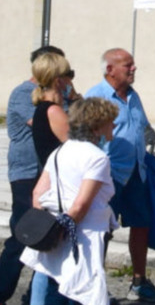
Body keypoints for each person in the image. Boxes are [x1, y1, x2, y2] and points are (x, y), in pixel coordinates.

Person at [86, 49, 155, 303]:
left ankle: (139, 281)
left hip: (136, 174)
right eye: (127, 65)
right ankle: (96, 286)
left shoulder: (133, 96)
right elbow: (86, 139)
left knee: (141, 225)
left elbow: (141, 128)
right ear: (110, 69)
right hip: (107, 177)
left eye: (133, 65)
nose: (133, 69)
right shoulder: (95, 97)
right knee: (101, 232)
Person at [20, 98, 120, 305]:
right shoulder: (97, 158)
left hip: (55, 227)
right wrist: (65, 229)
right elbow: (81, 205)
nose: (114, 125)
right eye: (111, 121)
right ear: (97, 126)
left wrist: (48, 229)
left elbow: (38, 192)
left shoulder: (60, 151)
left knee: (47, 276)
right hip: (83, 235)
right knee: (83, 289)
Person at [0, 46, 65, 304]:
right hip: (26, 174)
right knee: (23, 234)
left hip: (44, 174)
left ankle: (36, 295)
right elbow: (49, 123)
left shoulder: (57, 98)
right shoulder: (23, 94)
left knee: (44, 237)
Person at [30, 53, 72, 170]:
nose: (71, 80)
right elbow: (76, 148)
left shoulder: (43, 107)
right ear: (58, 81)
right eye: (69, 74)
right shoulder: (53, 111)